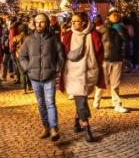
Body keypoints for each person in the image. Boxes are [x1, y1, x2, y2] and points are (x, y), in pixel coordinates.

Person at [18, 13, 65, 141]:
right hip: (34, 77)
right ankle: (46, 126)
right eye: (37, 21)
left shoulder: (53, 38)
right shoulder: (29, 40)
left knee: (50, 103)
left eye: (42, 21)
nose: (39, 24)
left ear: (47, 23)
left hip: (49, 76)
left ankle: (54, 128)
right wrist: (28, 67)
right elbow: (22, 56)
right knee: (41, 104)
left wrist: (57, 69)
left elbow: (61, 56)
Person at [59, 12, 105, 142]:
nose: (73, 24)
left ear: (84, 22)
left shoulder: (94, 34)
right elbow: (62, 52)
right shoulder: (68, 35)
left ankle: (76, 123)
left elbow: (100, 51)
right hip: (73, 73)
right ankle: (86, 128)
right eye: (72, 21)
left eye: (76, 21)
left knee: (81, 98)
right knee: (81, 99)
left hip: (89, 71)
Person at [94, 7, 131, 113]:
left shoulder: (122, 28)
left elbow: (127, 43)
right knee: (102, 83)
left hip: (118, 59)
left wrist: (126, 57)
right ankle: (97, 99)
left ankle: (117, 104)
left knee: (115, 84)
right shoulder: (102, 28)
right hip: (105, 60)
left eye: (117, 14)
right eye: (113, 14)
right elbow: (96, 43)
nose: (115, 16)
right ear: (108, 16)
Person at [12, 23, 31, 93]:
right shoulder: (30, 37)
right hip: (29, 56)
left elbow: (12, 48)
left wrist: (13, 55)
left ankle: (24, 88)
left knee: (22, 72)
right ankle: (29, 85)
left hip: (19, 56)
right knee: (28, 71)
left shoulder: (16, 37)